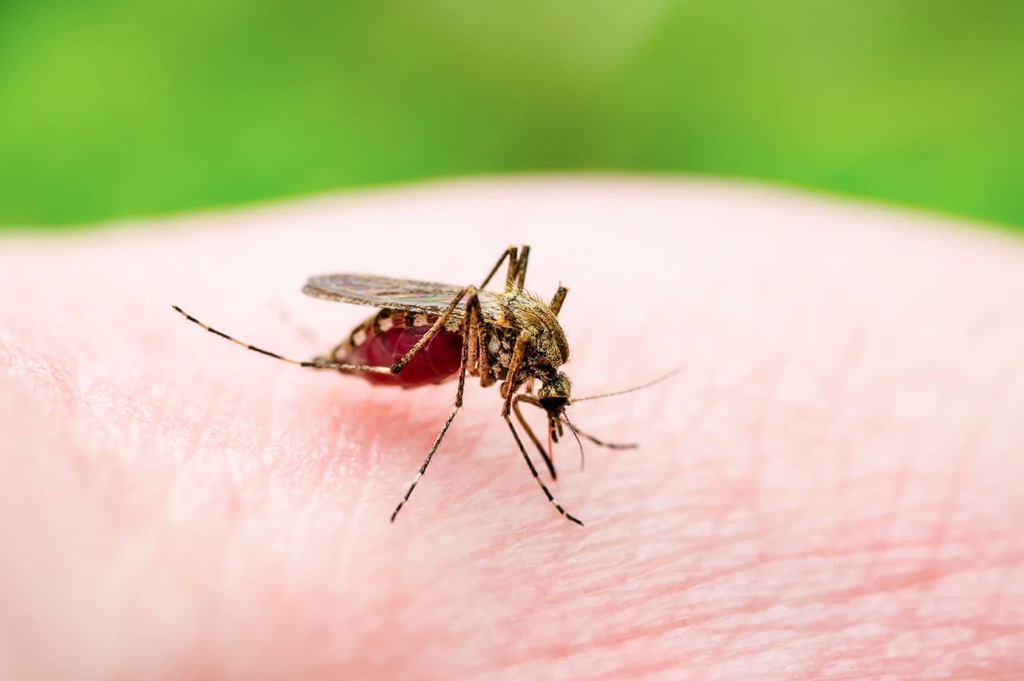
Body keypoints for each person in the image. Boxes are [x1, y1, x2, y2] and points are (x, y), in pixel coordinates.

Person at [1, 178, 1022, 679]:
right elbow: (507, 325)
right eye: (546, 409)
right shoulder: (510, 351)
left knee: (514, 303)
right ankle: (403, 364)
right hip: (438, 334)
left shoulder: (543, 371)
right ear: (537, 379)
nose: (543, 413)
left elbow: (535, 385)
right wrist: (464, 374)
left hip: (469, 333)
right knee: (502, 288)